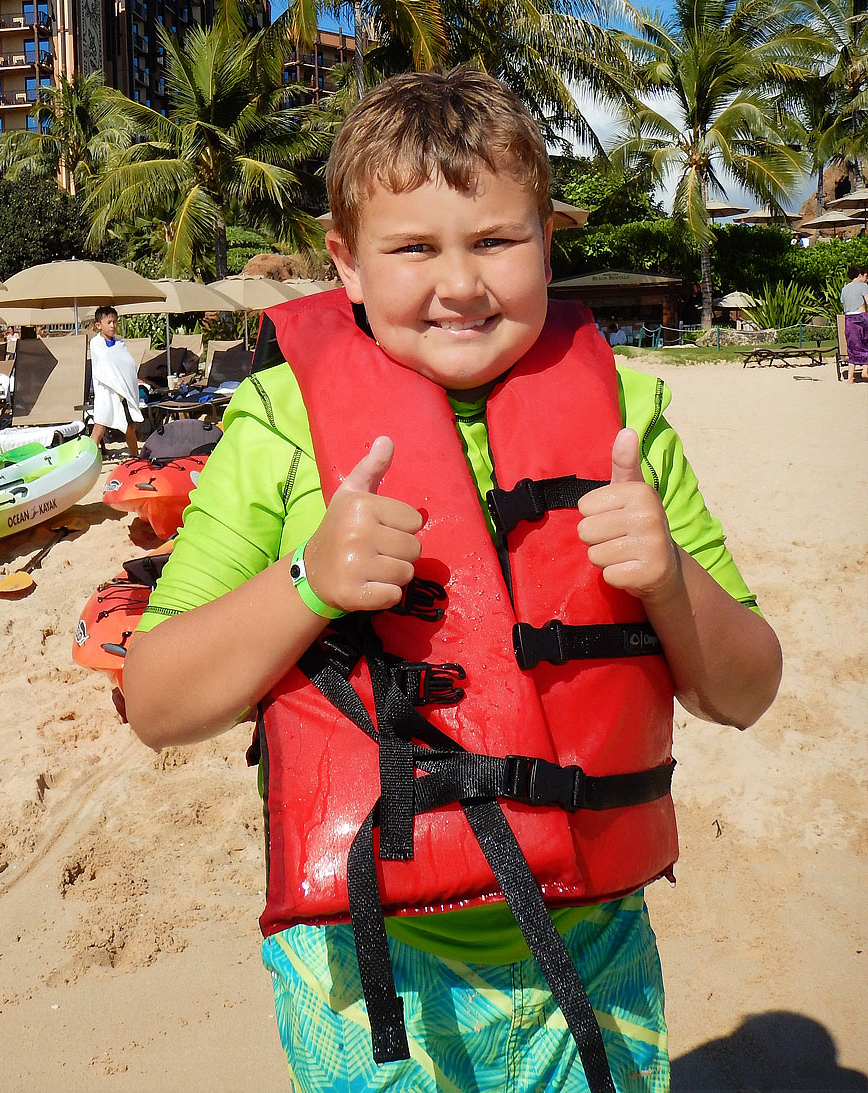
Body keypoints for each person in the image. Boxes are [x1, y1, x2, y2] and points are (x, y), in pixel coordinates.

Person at [121, 69, 781, 1093]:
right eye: (414, 249)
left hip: (594, 945)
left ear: (547, 245)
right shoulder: (278, 421)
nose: (462, 284)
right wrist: (306, 581)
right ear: (346, 262)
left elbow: (745, 690)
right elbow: (157, 702)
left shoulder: (627, 420)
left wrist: (668, 578)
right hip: (367, 978)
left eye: (496, 241)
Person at [89, 306, 141, 458]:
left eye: (115, 322)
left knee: (130, 426)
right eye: (109, 322)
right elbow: (105, 364)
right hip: (106, 390)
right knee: (99, 428)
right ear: (99, 325)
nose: (113, 325)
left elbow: (129, 364)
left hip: (122, 391)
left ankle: (135, 456)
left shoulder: (120, 344)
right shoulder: (96, 343)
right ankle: (87, 458)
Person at [839, 262, 868, 384]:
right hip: (861, 317)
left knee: (852, 347)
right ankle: (865, 370)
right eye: (866, 276)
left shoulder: (844, 289)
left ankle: (850, 378)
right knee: (865, 343)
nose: (866, 279)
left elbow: (844, 304)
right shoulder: (863, 286)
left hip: (849, 319)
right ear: (860, 275)